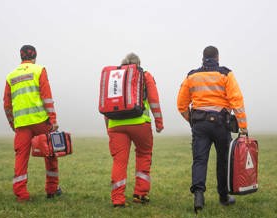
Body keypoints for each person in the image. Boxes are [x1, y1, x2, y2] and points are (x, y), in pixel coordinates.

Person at [177, 46, 248, 213]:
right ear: (218, 57)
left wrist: (192, 121)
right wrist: (243, 128)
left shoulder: (192, 76)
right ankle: (223, 197)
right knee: (223, 160)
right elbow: (237, 101)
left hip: (200, 124)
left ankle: (199, 197)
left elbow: (181, 105)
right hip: (221, 124)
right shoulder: (226, 74)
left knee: (199, 160)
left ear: (203, 58)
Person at [105, 53, 164, 207]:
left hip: (115, 125)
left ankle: (118, 199)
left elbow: (107, 104)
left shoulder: (114, 77)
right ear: (138, 63)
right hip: (140, 124)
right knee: (144, 155)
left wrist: (108, 127)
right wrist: (159, 122)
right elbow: (154, 100)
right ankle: (140, 194)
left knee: (119, 161)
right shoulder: (145, 76)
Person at [3, 45, 61, 202]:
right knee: (50, 155)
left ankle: (21, 194)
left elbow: (7, 105)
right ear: (35, 56)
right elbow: (47, 97)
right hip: (41, 121)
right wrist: (53, 119)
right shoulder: (39, 70)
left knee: (21, 158)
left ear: (20, 57)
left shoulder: (11, 76)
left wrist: (12, 124)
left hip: (21, 124)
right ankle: (52, 189)